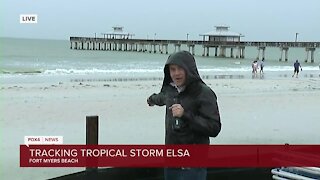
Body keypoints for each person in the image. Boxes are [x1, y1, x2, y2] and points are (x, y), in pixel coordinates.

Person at [147, 51, 221, 180]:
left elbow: (214, 128)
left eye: (180, 68)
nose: (176, 73)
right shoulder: (170, 89)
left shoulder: (204, 93)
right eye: (172, 69)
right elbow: (162, 98)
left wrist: (185, 115)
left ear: (189, 69)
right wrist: (151, 100)